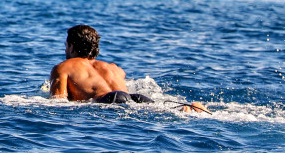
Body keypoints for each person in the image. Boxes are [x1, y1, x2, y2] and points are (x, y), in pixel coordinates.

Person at [50, 24, 206, 112]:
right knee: (162, 109)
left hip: (109, 100)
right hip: (134, 96)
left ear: (72, 47)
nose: (65, 50)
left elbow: (58, 102)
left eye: (66, 46)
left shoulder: (63, 68)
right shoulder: (114, 68)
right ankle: (191, 107)